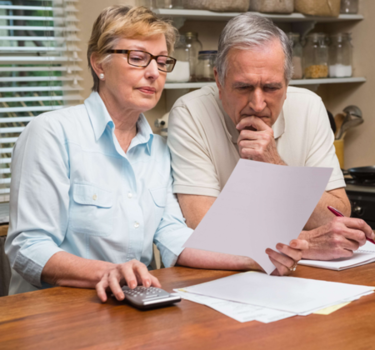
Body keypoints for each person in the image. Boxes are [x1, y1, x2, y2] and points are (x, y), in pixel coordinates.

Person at [5, 6, 306, 301]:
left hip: (132, 308)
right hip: (53, 316)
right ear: (99, 64)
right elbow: (28, 248)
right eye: (138, 58)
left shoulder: (158, 151)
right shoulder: (51, 134)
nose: (153, 73)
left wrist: (255, 257)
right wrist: (109, 272)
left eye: (162, 62)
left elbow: (174, 236)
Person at [167, 13, 374, 260]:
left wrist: (274, 164)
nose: (257, 104)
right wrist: (305, 242)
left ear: (287, 84)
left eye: (272, 88)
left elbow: (336, 215)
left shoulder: (309, 106)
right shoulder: (190, 112)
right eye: (243, 87)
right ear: (218, 82)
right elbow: (202, 227)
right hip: (224, 275)